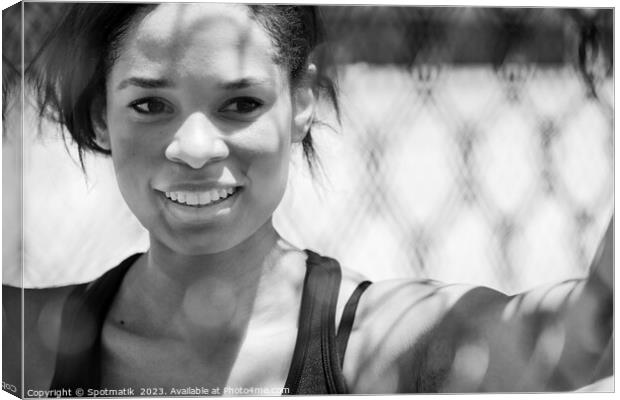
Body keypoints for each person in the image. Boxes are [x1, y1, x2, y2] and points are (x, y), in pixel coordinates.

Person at [2, 3, 613, 396]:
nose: (193, 148)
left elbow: (591, 333)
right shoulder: (26, 342)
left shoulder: (378, 342)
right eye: (149, 105)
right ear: (101, 117)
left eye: (240, 104)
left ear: (303, 102)